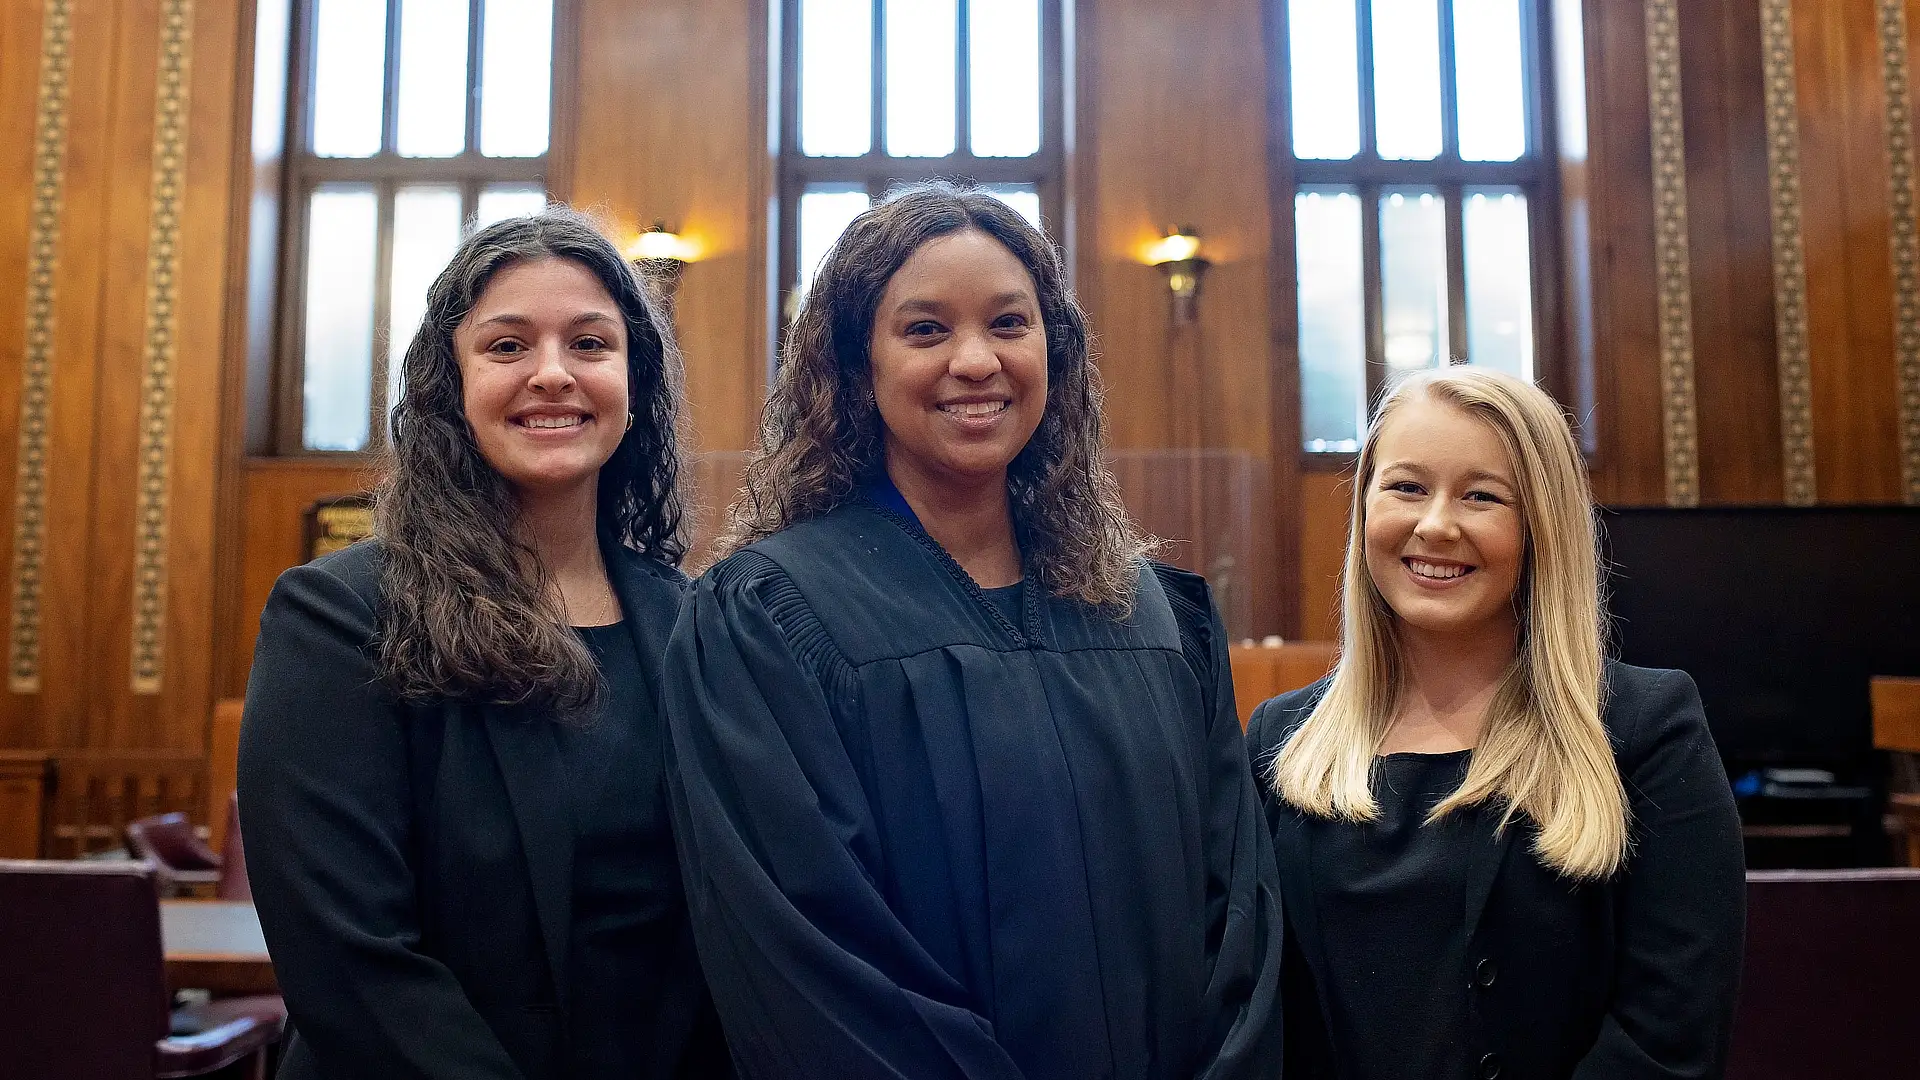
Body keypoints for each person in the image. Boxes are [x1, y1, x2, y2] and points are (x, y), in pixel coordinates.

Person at [662, 183, 1282, 1080]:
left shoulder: (1153, 617)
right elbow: (813, 963)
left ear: (1053, 351)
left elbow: (1240, 930)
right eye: (924, 330)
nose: (976, 360)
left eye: (1008, 323)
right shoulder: (765, 620)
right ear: (854, 365)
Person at [239, 209, 729, 1080]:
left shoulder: (694, 623)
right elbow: (349, 958)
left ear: (634, 383)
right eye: (507, 347)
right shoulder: (340, 615)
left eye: (590, 344)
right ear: (449, 384)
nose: (552, 375)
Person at [1246, 368, 1745, 1079]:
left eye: (1481, 496)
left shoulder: (1646, 730)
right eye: (1407, 487)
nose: (1436, 524)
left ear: (1541, 525)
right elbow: (1249, 1012)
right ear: (1364, 509)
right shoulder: (1279, 740)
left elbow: (1670, 1036)